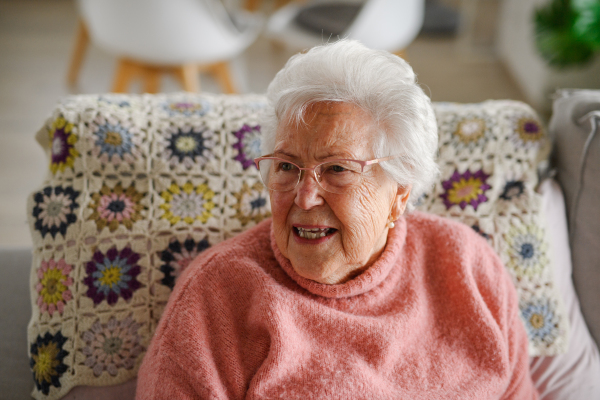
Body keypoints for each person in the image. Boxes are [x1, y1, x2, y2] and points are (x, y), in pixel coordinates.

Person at [136, 39, 538, 399]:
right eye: (287, 167)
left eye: (337, 170)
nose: (305, 197)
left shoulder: (467, 265)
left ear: (400, 193)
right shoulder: (219, 294)